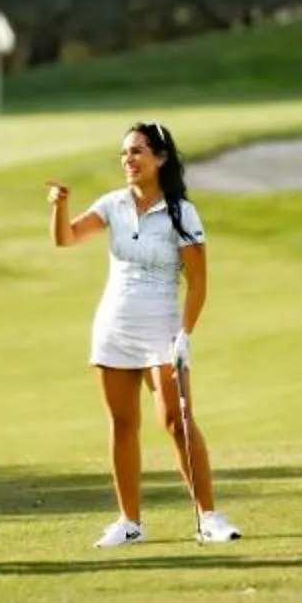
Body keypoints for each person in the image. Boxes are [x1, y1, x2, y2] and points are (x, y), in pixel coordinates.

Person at [46, 121, 240, 548]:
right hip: (114, 325)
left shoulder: (180, 212)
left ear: (161, 158)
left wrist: (185, 333)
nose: (128, 160)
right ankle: (129, 522)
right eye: (124, 153)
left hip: (162, 328)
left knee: (177, 421)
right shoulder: (112, 205)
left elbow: (199, 282)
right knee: (121, 423)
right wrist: (59, 205)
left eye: (137, 151)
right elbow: (66, 238)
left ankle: (208, 517)